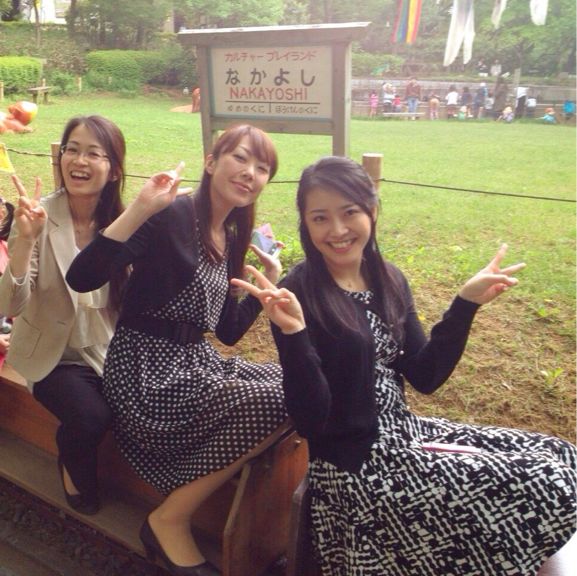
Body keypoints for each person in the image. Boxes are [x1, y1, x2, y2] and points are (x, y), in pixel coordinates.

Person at [232, 156, 576, 576]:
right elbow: (311, 421)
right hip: (356, 465)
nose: (337, 230)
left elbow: (425, 376)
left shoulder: (387, 277)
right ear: (306, 224)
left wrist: (465, 304)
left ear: (372, 211)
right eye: (320, 218)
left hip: (403, 433)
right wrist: (294, 334)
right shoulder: (298, 291)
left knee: (563, 455)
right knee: (550, 481)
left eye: (349, 212)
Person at [66, 124, 287, 576]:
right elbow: (82, 277)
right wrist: (141, 208)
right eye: (240, 158)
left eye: (262, 167)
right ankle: (169, 518)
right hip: (144, 371)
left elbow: (226, 330)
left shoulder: (230, 235)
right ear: (211, 162)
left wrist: (269, 286)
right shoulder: (171, 214)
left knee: (296, 382)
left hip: (194, 362)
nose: (250, 173)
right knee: (275, 400)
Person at [0, 115, 129, 515]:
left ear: (114, 170)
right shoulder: (38, 215)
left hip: (105, 351)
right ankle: (71, 464)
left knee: (141, 411)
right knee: (91, 417)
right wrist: (25, 241)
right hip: (51, 356)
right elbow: (10, 306)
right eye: (72, 149)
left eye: (93, 153)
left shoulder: (121, 223)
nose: (79, 160)